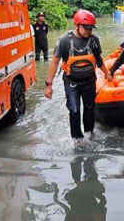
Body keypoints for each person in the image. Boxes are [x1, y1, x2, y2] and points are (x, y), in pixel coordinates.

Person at [44, 10, 112, 140]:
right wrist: (48, 85)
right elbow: (54, 62)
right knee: (74, 110)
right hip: (71, 82)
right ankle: (77, 139)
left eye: (91, 28)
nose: (88, 31)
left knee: (89, 108)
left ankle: (89, 133)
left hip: (89, 81)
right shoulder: (64, 41)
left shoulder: (94, 40)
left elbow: (99, 60)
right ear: (77, 25)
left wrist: (107, 73)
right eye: (86, 28)